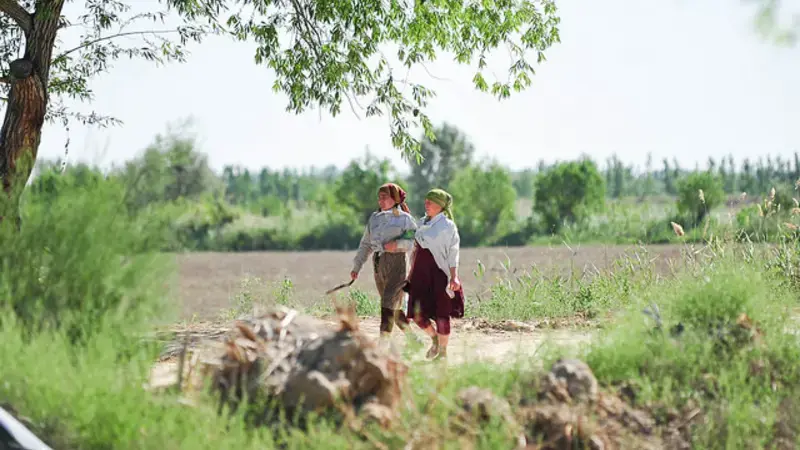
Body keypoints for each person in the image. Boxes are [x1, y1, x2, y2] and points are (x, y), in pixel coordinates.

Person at [351, 183, 418, 345]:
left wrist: (397, 245)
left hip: (398, 264)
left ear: (394, 199)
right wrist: (357, 266)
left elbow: (413, 241)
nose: (380, 201)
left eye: (384, 197)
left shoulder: (405, 219)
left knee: (387, 301)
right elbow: (366, 244)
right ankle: (413, 340)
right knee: (392, 306)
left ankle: (383, 344)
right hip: (379, 264)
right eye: (379, 197)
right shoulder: (374, 219)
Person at [406, 188, 464, 360]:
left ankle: (443, 354)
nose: (427, 203)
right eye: (426, 200)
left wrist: (454, 276)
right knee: (417, 313)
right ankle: (434, 339)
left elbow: (454, 252)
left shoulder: (448, 226)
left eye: (430, 201)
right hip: (420, 274)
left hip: (440, 274)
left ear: (440, 206)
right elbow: (411, 241)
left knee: (441, 315)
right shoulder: (422, 222)